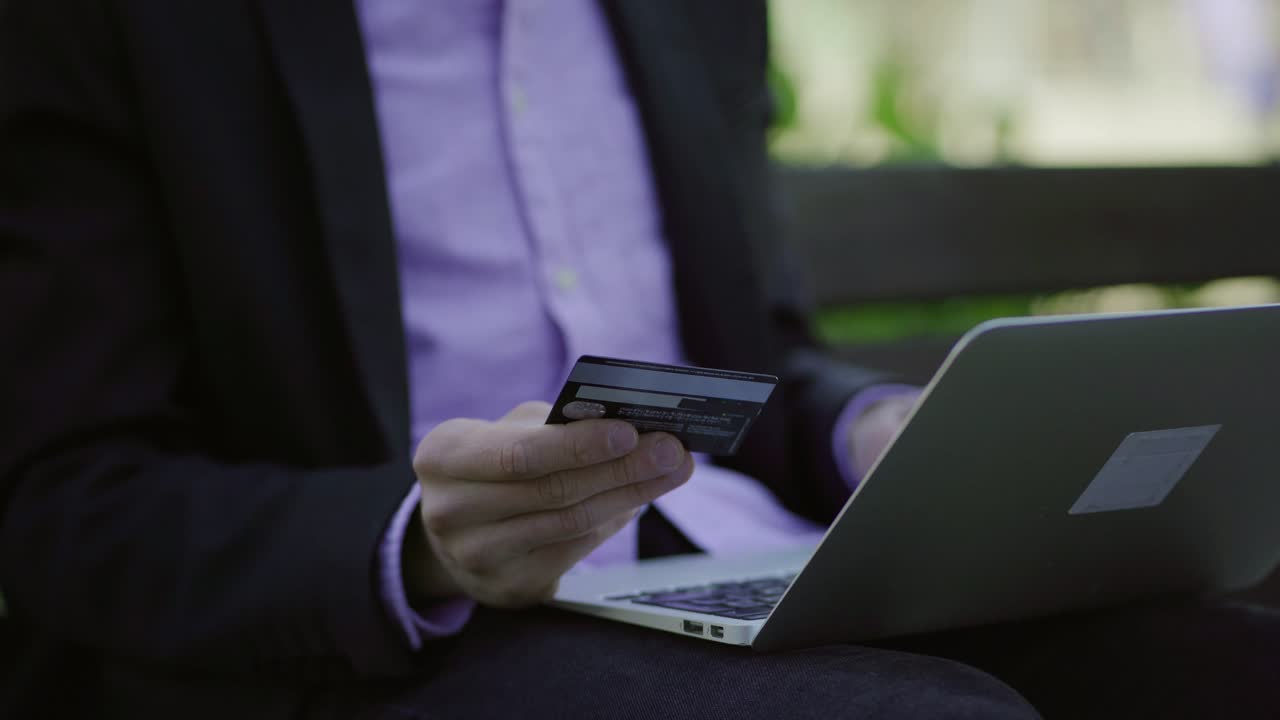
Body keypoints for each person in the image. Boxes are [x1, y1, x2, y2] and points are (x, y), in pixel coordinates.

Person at [0, 1, 1274, 718]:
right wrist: (418, 542)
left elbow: (749, 364)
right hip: (375, 645)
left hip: (737, 562)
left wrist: (867, 431)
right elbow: (64, 500)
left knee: (1230, 669)